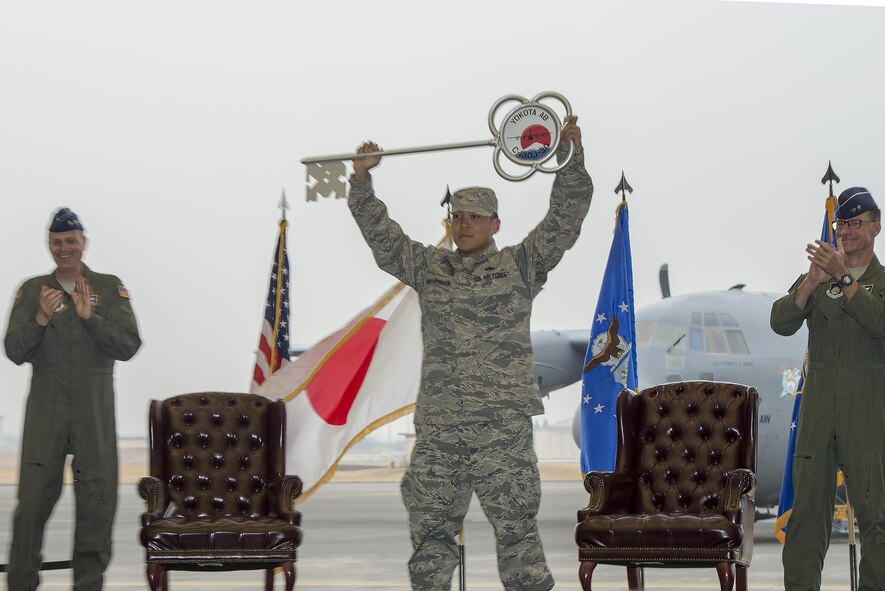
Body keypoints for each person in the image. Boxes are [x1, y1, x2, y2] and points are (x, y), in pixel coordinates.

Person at [347, 115, 592, 590]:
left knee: (518, 535)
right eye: (458, 216)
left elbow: (565, 219)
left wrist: (571, 158)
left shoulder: (520, 265)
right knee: (429, 537)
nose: (464, 224)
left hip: (501, 428)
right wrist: (361, 181)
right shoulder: (429, 267)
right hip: (441, 429)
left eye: (475, 216)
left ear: (495, 223)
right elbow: (384, 242)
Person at [4, 208, 142, 591]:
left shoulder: (109, 287)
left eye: (71, 241)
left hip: (93, 411)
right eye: (56, 243)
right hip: (46, 410)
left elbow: (129, 345)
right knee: (31, 506)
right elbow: (14, 350)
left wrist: (90, 317)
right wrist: (39, 319)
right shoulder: (34, 290)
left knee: (96, 506)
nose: (64, 249)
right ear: (49, 246)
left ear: (83, 243)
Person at [771, 186, 885, 590]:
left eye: (856, 223)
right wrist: (809, 284)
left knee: (878, 524)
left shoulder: (881, 282)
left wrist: (843, 275)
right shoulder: (816, 277)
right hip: (817, 419)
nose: (847, 230)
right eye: (842, 223)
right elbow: (780, 321)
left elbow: (879, 324)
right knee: (804, 524)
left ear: (876, 226)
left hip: (868, 422)